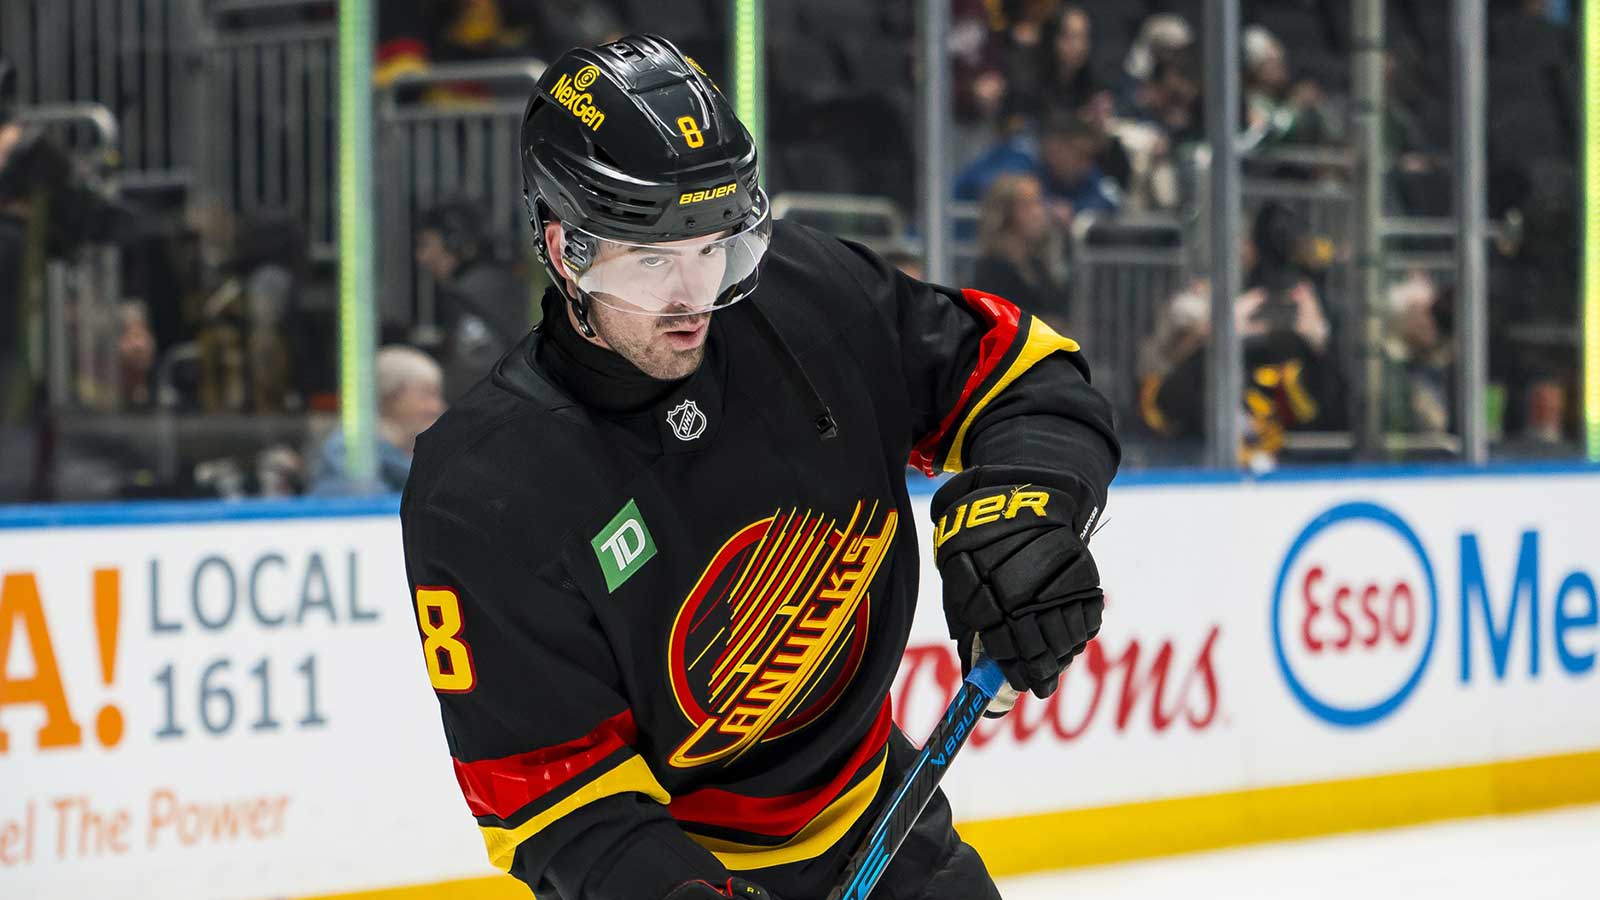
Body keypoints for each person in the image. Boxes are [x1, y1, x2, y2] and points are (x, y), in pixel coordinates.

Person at [400, 34, 1119, 900]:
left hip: (888, 824)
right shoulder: (483, 490)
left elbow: (1021, 376)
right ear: (566, 250)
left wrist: (1026, 507)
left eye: (713, 248)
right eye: (653, 260)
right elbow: (555, 798)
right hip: (682, 872)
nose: (692, 298)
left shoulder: (809, 295)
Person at [415, 197, 531, 400]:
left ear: (454, 242)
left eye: (426, 244)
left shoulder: (469, 293)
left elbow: (474, 366)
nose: (421, 257)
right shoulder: (494, 282)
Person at [310, 345, 444, 494]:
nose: (437, 407)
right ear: (391, 397)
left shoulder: (416, 452)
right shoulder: (349, 453)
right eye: (427, 395)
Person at [970, 172, 1070, 325]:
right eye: (1027, 205)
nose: (1039, 213)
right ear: (1005, 214)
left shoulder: (1038, 265)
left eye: (1039, 203)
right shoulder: (991, 270)